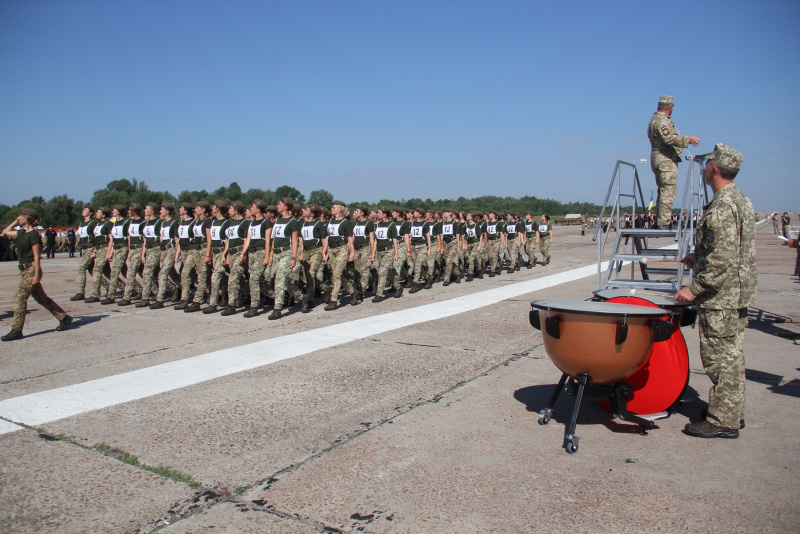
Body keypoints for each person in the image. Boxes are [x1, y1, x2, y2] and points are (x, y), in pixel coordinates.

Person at [675, 143, 756, 439]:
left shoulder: (722, 206)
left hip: (721, 297)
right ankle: (730, 409)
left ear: (714, 169)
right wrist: (699, 257)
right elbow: (730, 247)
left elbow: (723, 257)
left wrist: (694, 289)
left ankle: (723, 421)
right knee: (732, 355)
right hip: (736, 293)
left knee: (720, 359)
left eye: (708, 164)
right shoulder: (740, 200)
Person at [2, 208, 72, 341]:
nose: (19, 218)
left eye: (21, 216)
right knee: (41, 298)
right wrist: (16, 221)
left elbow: (36, 256)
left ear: (27, 218)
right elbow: (6, 232)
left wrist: (37, 273)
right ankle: (63, 317)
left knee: (19, 298)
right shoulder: (22, 232)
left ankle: (16, 330)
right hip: (23, 270)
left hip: (31, 270)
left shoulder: (33, 235)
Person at [648, 95, 701, 228]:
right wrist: (687, 139)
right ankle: (663, 223)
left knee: (663, 191)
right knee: (668, 191)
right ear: (670, 108)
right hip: (664, 159)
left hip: (660, 159)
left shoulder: (656, 120)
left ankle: (660, 221)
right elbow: (668, 138)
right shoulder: (661, 121)